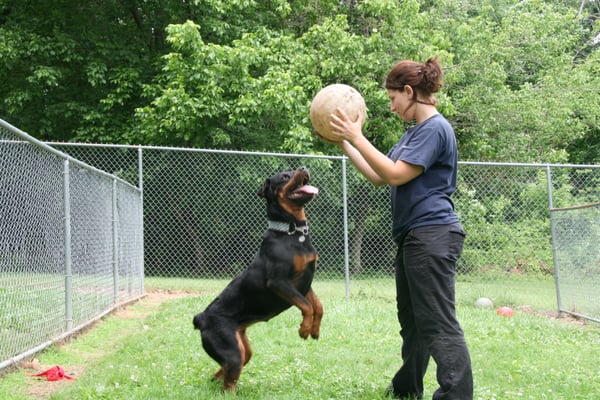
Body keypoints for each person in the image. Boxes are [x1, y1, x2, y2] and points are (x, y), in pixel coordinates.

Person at [326, 57, 473, 400]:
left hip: (433, 234)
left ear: (409, 92)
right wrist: (346, 142)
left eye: (393, 99)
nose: (391, 107)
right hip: (415, 236)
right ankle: (407, 388)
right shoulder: (414, 135)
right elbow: (380, 176)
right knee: (412, 322)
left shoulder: (437, 128)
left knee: (437, 322)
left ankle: (456, 395)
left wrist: (357, 134)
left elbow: (395, 174)